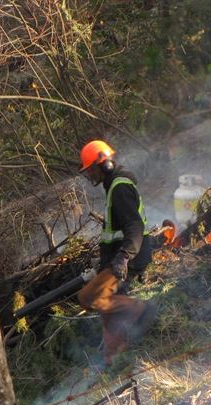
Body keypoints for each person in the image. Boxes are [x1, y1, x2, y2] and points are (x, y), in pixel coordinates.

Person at [76, 140, 157, 368]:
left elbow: (135, 226)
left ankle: (140, 307)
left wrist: (123, 256)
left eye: (92, 169)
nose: (90, 174)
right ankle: (116, 362)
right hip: (117, 259)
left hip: (129, 258)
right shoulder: (113, 186)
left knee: (88, 298)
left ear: (105, 164)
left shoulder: (120, 187)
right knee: (110, 314)